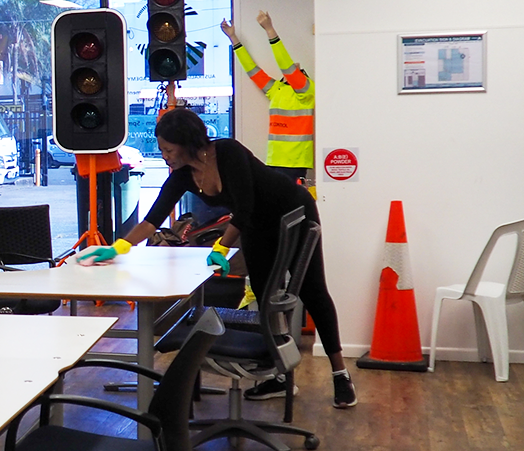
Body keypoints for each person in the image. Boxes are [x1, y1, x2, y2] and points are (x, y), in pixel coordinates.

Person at [78, 107, 356, 408]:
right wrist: (117, 247)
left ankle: (340, 374)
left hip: (291, 210)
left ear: (186, 142)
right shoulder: (183, 177)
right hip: (254, 225)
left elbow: (245, 206)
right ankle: (278, 374)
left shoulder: (227, 151)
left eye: (168, 149)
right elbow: (151, 221)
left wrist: (221, 248)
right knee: (265, 296)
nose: (165, 156)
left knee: (312, 291)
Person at [222, 10, 314, 183]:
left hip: (295, 164)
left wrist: (270, 30)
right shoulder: (277, 89)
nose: (290, 71)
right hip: (273, 161)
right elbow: (252, 70)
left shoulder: (306, 91)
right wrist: (233, 39)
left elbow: (285, 65)